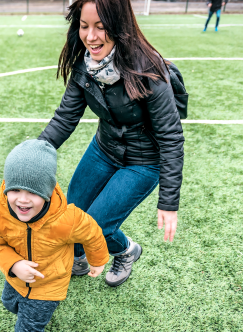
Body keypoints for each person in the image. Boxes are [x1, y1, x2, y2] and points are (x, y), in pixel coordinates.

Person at [37, 0, 184, 288]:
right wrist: (31, 156)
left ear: (119, 27)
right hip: (103, 150)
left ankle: (126, 250)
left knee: (96, 228)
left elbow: (171, 138)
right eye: (83, 26)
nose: (90, 36)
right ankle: (78, 256)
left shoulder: (149, 69)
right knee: (72, 215)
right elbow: (64, 119)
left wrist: (168, 202)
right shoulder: (85, 66)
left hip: (143, 162)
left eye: (100, 27)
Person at [0, 139, 109, 332]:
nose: (23, 200)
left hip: (49, 286)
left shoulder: (68, 218)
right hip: (16, 280)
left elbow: (93, 234)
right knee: (10, 304)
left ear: (49, 191)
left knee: (28, 330)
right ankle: (26, 311)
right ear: (5, 186)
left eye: (33, 192)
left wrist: (98, 260)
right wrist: (14, 264)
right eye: (15, 189)